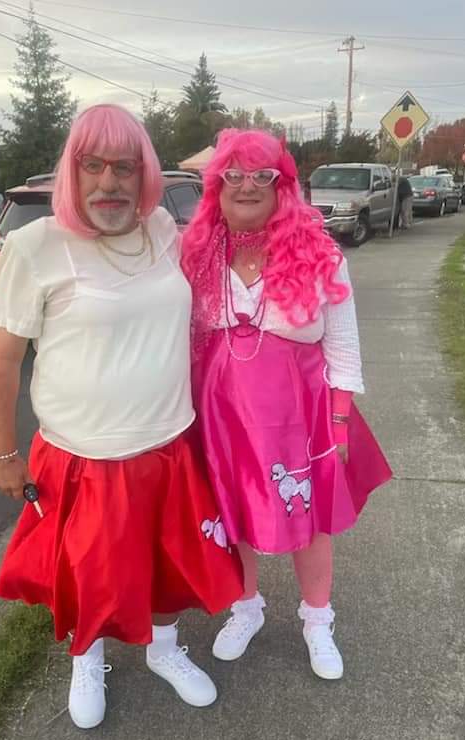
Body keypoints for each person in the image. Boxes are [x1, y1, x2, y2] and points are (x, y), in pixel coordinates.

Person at [0, 104, 243, 729]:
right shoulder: (35, 247)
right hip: (83, 455)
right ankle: (86, 658)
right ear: (71, 173)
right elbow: (0, 362)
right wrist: (2, 453)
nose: (109, 182)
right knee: (91, 572)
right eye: (92, 165)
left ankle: (164, 649)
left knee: (168, 566)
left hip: (168, 443)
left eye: (124, 167)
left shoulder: (163, 230)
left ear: (144, 174)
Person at [182, 129, 391, 681]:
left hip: (302, 416)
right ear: (217, 186)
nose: (247, 186)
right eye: (233, 175)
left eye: (262, 175)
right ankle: (246, 608)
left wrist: (340, 424)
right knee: (232, 513)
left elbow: (343, 347)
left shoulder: (320, 253)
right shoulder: (195, 254)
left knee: (311, 518)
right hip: (222, 416)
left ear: (283, 186)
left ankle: (317, 621)